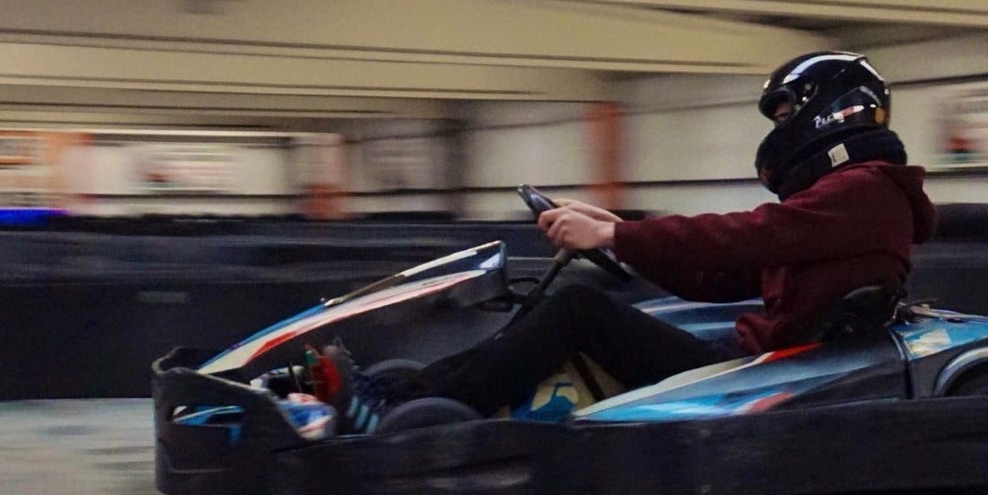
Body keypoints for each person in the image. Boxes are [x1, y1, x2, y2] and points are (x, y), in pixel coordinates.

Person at [333, 52, 938, 431]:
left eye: (785, 115)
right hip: (753, 356)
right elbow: (722, 277)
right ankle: (403, 394)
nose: (781, 129)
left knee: (576, 310)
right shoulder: (847, 199)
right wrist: (618, 237)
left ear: (834, 112)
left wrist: (615, 233)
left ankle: (407, 415)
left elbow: (745, 235)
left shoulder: (867, 190)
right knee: (577, 306)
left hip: (764, 372)